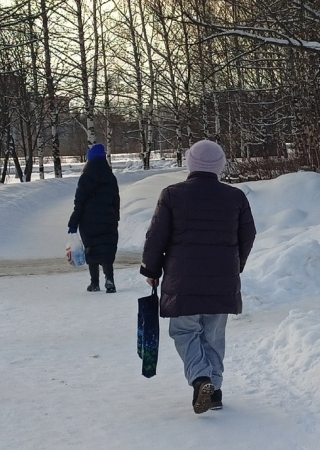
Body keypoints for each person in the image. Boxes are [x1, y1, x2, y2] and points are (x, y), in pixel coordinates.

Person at [140, 139, 256, 414]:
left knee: (184, 331)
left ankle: (200, 379)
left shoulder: (171, 194)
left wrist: (151, 271)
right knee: (214, 336)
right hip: (222, 280)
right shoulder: (235, 197)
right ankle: (213, 391)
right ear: (219, 166)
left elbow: (156, 237)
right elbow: (248, 235)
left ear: (190, 163)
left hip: (182, 282)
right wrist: (235, 265)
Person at [68, 143, 120, 293]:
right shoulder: (111, 177)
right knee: (107, 251)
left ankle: (94, 283)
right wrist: (115, 217)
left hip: (88, 222)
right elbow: (116, 200)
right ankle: (110, 280)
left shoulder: (85, 178)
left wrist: (73, 223)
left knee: (92, 250)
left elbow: (79, 203)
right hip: (108, 220)